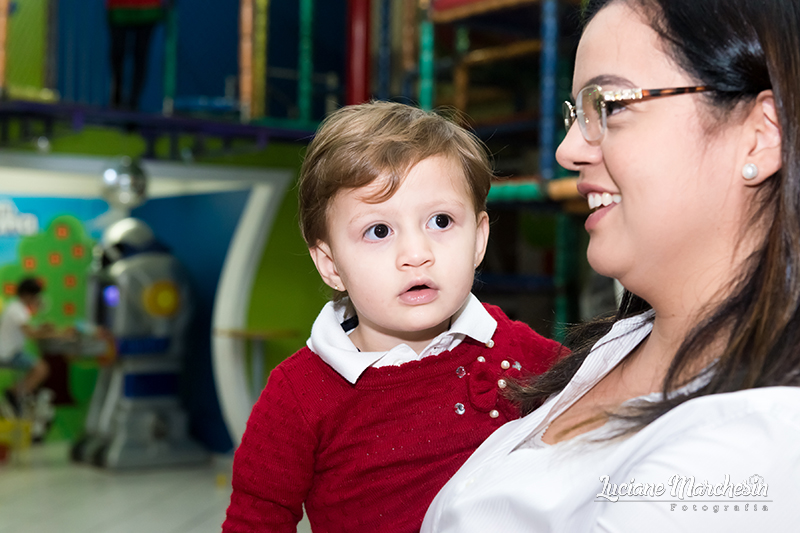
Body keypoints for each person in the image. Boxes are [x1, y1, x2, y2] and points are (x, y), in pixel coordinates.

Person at [422, 0, 800, 531]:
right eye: (576, 113)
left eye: (610, 105)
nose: (567, 150)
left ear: (761, 134)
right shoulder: (623, 343)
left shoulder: (758, 443)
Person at [222, 101, 564, 532]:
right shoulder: (299, 396)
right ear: (330, 264)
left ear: (478, 240)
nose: (417, 254)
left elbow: (608, 406)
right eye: (379, 231)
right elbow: (257, 518)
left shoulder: (512, 347)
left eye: (440, 221)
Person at [1, 278, 54, 414]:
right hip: (7, 354)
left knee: (39, 367)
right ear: (27, 295)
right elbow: (31, 334)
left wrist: (44, 330)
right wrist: (53, 334)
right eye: (35, 296)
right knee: (41, 369)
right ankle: (15, 393)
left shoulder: (17, 308)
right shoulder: (17, 309)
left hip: (11, 352)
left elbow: (30, 330)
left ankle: (17, 393)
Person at [106, 0, 166, 110]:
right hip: (118, 7)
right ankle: (117, 95)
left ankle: (133, 102)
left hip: (148, 8)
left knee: (141, 55)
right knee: (118, 51)